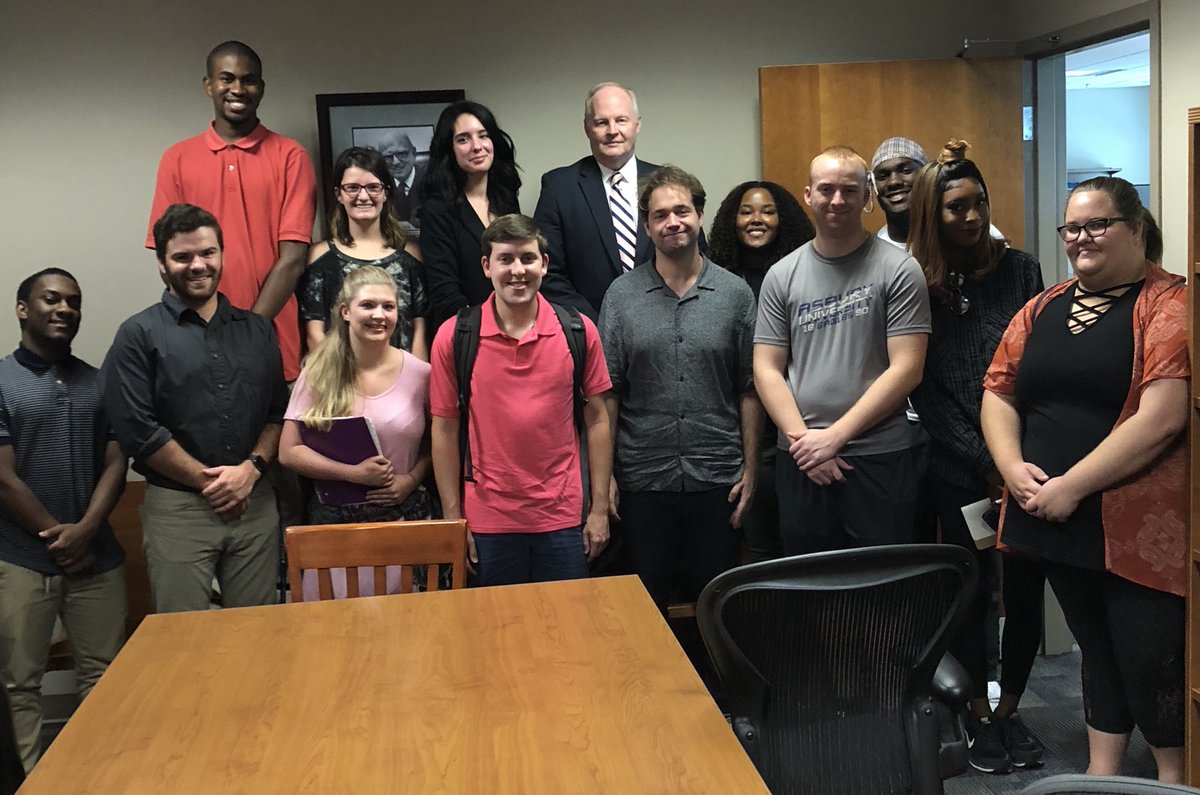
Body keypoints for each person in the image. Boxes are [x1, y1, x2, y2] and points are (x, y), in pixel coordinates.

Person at [982, 177, 1188, 784]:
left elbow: (1164, 417)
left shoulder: (1170, 302)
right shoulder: (1043, 305)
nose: (1080, 238)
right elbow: (998, 389)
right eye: (1071, 228)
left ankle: (1172, 781)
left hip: (1132, 525)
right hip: (1052, 515)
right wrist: (1011, 467)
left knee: (1150, 657)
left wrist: (1070, 484)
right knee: (1094, 650)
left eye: (1096, 224)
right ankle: (1102, 778)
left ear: (1136, 228)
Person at [907, 140, 1046, 774]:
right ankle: (974, 715)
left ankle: (1011, 706)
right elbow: (925, 389)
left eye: (978, 203)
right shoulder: (918, 281)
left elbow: (1033, 368)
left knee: (1021, 587)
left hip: (1021, 460)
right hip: (959, 466)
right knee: (970, 589)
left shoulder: (1021, 270)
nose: (969, 216)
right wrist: (984, 461)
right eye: (955, 207)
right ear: (932, 215)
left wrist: (1011, 460)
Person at [104, 204, 288, 614]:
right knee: (182, 641)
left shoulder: (257, 329)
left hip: (254, 502)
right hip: (179, 510)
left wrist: (251, 469)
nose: (198, 265)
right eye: (183, 257)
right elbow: (138, 429)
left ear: (222, 254)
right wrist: (212, 484)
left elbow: (278, 413)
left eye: (207, 253)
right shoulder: (137, 335)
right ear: (162, 265)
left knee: (257, 636)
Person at [753, 146, 930, 555]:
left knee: (882, 588)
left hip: (878, 458)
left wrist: (834, 438)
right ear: (808, 195)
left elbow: (907, 369)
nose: (837, 200)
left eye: (849, 190)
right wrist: (808, 445)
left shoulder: (899, 270)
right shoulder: (782, 275)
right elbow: (766, 368)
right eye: (826, 189)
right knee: (811, 589)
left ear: (867, 196)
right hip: (800, 459)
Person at [600, 166, 760, 610]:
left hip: (717, 476)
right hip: (643, 480)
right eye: (660, 215)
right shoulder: (621, 296)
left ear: (700, 215)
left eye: (682, 210)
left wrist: (751, 471)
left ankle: (716, 683)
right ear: (647, 226)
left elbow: (750, 388)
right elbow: (606, 393)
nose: (673, 222)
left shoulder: (735, 294)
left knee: (720, 606)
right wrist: (605, 476)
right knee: (646, 607)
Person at [429, 214, 612, 586]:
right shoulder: (456, 336)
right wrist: (453, 519)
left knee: (565, 631)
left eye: (527, 258)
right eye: (506, 259)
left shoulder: (578, 330)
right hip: (487, 521)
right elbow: (445, 430)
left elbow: (597, 420)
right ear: (486, 266)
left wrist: (599, 510)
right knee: (495, 634)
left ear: (544, 264)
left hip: (562, 517)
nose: (517, 270)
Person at [0, 269, 127, 773]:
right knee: (20, 683)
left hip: (97, 557)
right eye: (51, 299)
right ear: (22, 308)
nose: (64, 309)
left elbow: (118, 461)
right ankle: (32, 781)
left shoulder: (99, 382)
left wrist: (87, 529)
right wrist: (59, 535)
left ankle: (101, 774)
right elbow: (3, 478)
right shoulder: (1, 381)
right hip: (21, 559)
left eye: (73, 302)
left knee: (106, 676)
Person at [146, 40, 317, 382]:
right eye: (226, 78)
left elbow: (294, 258)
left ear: (261, 88)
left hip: (272, 341)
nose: (237, 88)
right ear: (208, 85)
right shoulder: (176, 159)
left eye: (248, 79)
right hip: (195, 342)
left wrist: (248, 332)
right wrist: (207, 331)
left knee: (277, 434)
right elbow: (169, 257)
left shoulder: (290, 157)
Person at [280, 266, 432, 598]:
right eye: (368, 305)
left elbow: (438, 445)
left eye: (388, 307)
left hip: (401, 525)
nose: (380, 315)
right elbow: (288, 451)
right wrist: (352, 474)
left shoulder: (422, 374)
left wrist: (411, 480)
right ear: (346, 311)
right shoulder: (318, 370)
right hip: (335, 531)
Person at [707, 181, 814, 562]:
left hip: (804, 430)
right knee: (759, 545)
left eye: (767, 211)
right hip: (745, 436)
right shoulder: (717, 282)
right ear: (731, 221)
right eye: (746, 211)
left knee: (806, 541)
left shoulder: (804, 275)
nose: (757, 219)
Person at [536, 83, 660, 319]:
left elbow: (692, 259)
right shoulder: (559, 187)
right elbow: (547, 272)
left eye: (621, 120)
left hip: (663, 331)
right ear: (587, 128)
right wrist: (597, 326)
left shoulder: (666, 183)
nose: (612, 130)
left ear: (637, 125)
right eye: (602, 122)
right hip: (588, 332)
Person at [300, 147, 429, 360]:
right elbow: (314, 333)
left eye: (373, 187)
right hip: (339, 380)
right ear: (338, 195)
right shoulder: (320, 256)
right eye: (352, 188)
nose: (363, 196)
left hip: (399, 379)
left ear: (386, 193)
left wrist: (416, 382)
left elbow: (419, 331)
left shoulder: (411, 254)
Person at [418, 101, 521, 327]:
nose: (477, 146)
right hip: (465, 333)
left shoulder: (506, 199)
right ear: (449, 149)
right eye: (463, 139)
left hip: (513, 326)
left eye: (483, 135)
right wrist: (484, 331)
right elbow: (445, 293)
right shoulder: (436, 210)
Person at [376, 130, 424, 227]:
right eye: (388, 157)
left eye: (402, 154)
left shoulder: (432, 180)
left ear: (413, 153)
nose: (396, 162)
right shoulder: (378, 185)